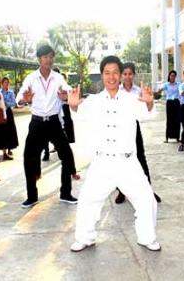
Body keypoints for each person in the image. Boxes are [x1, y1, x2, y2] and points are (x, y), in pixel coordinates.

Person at [68, 56, 160, 252]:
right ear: (102, 75)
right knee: (87, 201)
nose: (111, 77)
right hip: (102, 162)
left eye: (115, 73)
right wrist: (74, 105)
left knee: (147, 200)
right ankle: (85, 238)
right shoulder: (94, 101)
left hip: (127, 162)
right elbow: (78, 113)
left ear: (120, 75)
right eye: (107, 72)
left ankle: (147, 237)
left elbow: (147, 114)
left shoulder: (131, 100)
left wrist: (150, 103)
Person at [16, 45, 78, 208]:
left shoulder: (58, 77)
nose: (48, 60)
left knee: (66, 156)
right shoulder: (31, 78)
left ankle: (66, 193)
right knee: (29, 158)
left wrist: (66, 96)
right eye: (45, 57)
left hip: (53, 123)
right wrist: (24, 99)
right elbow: (19, 98)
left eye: (51, 57)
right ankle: (32, 196)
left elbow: (68, 92)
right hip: (36, 123)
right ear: (39, 59)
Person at [115, 62, 161, 204]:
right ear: (121, 75)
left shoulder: (138, 91)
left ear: (134, 75)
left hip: (134, 128)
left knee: (140, 158)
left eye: (130, 74)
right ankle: (122, 191)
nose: (127, 77)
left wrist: (149, 102)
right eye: (125, 74)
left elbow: (147, 109)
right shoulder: (116, 91)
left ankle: (148, 191)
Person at [157, 70, 181, 143]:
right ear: (169, 76)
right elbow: (159, 90)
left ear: (175, 77)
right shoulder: (166, 84)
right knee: (169, 120)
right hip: (169, 103)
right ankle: (167, 138)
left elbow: (182, 90)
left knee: (177, 120)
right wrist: (158, 90)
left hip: (176, 102)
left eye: (174, 76)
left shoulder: (178, 84)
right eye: (171, 75)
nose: (172, 77)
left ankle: (177, 137)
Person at [0, 77, 19, 159]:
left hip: (8, 112)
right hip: (0, 113)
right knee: (2, 131)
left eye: (7, 82)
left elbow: (14, 103)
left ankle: (9, 148)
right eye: (5, 82)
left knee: (10, 130)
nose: (6, 84)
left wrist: (6, 103)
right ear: (2, 83)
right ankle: (2, 149)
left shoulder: (11, 92)